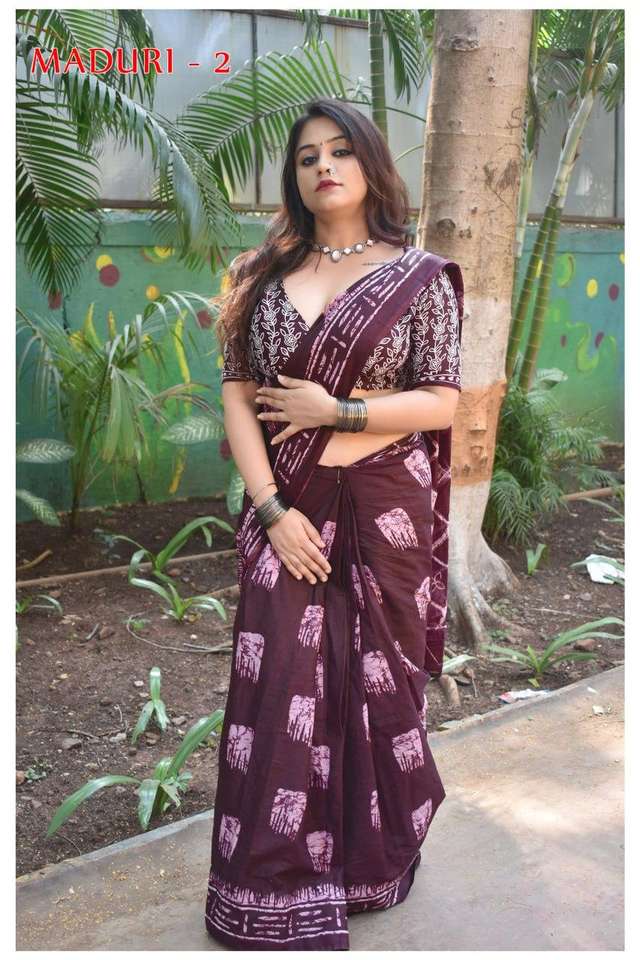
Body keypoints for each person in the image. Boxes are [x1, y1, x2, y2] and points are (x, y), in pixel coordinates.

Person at [204, 96, 464, 950]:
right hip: (288, 508)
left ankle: (369, 864)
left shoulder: (420, 276)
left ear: (370, 162)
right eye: (308, 155)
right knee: (280, 685)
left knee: (376, 684)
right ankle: (271, 883)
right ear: (295, 175)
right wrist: (272, 511)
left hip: (385, 511)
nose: (324, 166)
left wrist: (337, 411)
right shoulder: (258, 275)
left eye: (341, 150)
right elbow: (238, 397)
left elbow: (440, 400)